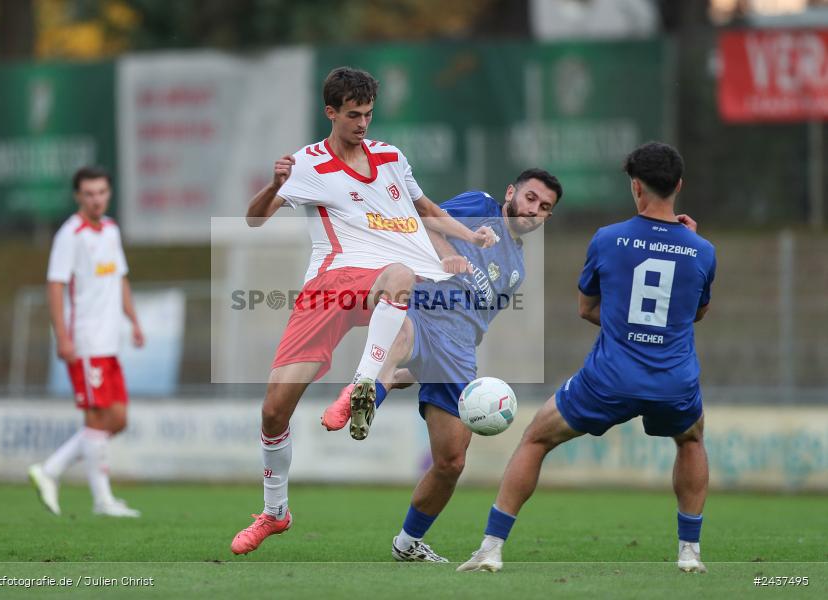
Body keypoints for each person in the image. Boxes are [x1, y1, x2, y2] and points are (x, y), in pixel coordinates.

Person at [232, 66, 495, 556]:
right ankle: (275, 513)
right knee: (273, 409)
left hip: (383, 280)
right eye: (353, 115)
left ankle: (362, 385)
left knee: (402, 275)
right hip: (330, 285)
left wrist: (468, 236)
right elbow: (254, 219)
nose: (362, 124)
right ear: (330, 112)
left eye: (369, 114)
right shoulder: (309, 164)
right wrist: (273, 185)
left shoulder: (392, 157)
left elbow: (426, 209)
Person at [457, 142, 715, 574]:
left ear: (636, 187)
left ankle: (491, 549)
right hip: (673, 378)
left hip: (609, 378)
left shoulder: (608, 239)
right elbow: (696, 313)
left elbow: (586, 308)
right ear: (679, 186)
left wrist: (623, 327)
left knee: (536, 439)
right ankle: (689, 554)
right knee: (690, 440)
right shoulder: (702, 250)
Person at [321, 168, 563, 562]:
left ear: (548, 217)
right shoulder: (480, 206)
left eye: (544, 207)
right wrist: (448, 253)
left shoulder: (516, 269)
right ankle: (364, 397)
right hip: (426, 306)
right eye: (531, 198)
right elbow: (422, 222)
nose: (533, 210)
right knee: (399, 336)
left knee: (451, 461)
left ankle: (407, 544)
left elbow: (479, 324)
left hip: (458, 350)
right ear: (511, 192)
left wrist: (416, 373)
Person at [28, 166, 145, 518]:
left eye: (102, 192)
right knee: (96, 419)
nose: (96, 199)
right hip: (86, 341)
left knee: (118, 419)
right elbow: (55, 285)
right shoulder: (71, 234)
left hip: (110, 342)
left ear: (109, 194)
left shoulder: (110, 229)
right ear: (78, 196)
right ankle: (103, 500)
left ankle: (50, 469)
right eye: (89, 194)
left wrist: (134, 319)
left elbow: (120, 277)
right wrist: (62, 337)